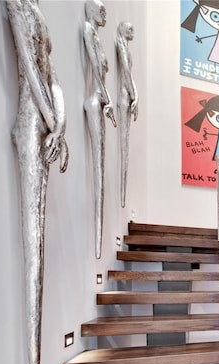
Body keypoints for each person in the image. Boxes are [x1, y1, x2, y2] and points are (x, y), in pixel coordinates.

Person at [5, 0, 69, 364]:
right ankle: (32, 348)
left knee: (39, 237)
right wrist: (50, 124)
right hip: (30, 123)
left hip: (46, 125)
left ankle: (35, 348)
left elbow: (52, 76)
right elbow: (29, 68)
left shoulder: (37, 10)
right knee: (34, 237)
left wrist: (60, 128)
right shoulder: (16, 4)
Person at [83, 0, 115, 259]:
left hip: (102, 100)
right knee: (98, 168)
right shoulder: (87, 30)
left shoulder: (98, 36)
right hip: (96, 101)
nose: (105, 13)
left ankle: (98, 245)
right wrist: (108, 100)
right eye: (101, 9)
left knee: (101, 168)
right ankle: (96, 247)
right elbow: (94, 66)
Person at [115, 21, 138, 208]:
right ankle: (122, 196)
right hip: (124, 97)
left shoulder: (126, 47)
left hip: (128, 96)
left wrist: (136, 96)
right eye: (130, 29)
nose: (133, 32)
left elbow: (129, 75)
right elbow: (127, 73)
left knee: (126, 142)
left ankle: (123, 196)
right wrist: (134, 95)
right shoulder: (120, 45)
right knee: (124, 141)